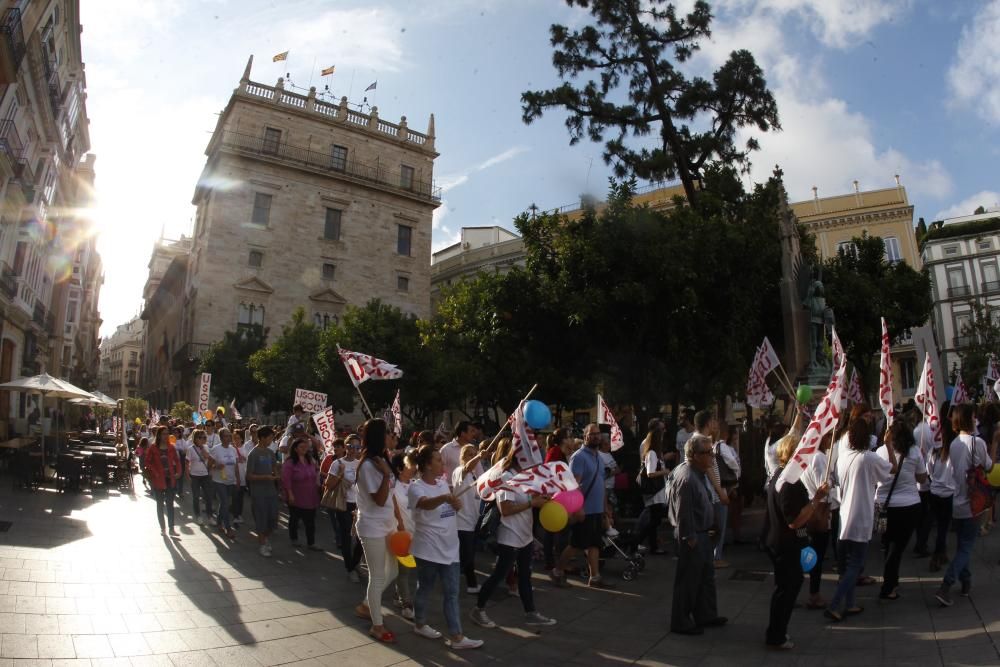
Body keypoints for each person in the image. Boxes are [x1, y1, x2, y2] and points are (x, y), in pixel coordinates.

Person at [472, 437, 557, 629]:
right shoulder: (506, 477)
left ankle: (531, 613)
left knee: (525, 575)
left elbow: (529, 497)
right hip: (510, 535)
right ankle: (478, 609)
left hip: (525, 535)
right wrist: (531, 503)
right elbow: (506, 509)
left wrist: (541, 497)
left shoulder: (524, 476)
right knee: (499, 575)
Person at [408, 445, 484, 649]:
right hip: (428, 548)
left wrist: (455, 505)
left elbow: (448, 509)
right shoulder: (415, 487)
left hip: (450, 547)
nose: (443, 463)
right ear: (426, 465)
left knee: (452, 593)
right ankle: (420, 623)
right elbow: (425, 504)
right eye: (438, 460)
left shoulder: (442, 483)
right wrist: (445, 498)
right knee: (425, 587)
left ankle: (456, 637)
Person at [825, 408, 893, 622]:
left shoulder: (843, 458)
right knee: (856, 565)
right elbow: (892, 469)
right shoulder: (869, 458)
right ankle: (835, 603)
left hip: (844, 516)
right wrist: (889, 444)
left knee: (846, 566)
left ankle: (850, 603)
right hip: (861, 517)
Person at [765, 434, 829, 650]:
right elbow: (795, 521)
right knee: (787, 589)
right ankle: (777, 635)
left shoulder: (780, 476)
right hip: (786, 545)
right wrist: (816, 499)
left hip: (782, 543)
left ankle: (777, 632)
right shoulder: (789, 482)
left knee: (786, 588)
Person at [935, 403, 996, 606]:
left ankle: (966, 581)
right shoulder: (976, 442)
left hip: (958, 500)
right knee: (966, 547)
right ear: (969, 419)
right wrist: (994, 442)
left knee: (963, 544)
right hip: (973, 502)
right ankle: (946, 584)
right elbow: (989, 466)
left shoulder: (953, 444)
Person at [668, 434, 727, 635]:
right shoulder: (687, 477)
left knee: (705, 578)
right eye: (707, 453)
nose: (712, 456)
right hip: (692, 536)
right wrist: (690, 537)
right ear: (694, 455)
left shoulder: (698, 473)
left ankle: (706, 615)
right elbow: (683, 510)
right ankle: (681, 621)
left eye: (712, 452)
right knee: (689, 581)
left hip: (703, 534)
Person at [354, 418, 401, 644]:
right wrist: (384, 475)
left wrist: (399, 521)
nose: (392, 436)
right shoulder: (367, 466)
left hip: (388, 523)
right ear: (378, 437)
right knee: (378, 575)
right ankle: (377, 625)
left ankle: (366, 604)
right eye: (388, 433)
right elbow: (381, 500)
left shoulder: (383, 459)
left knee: (393, 571)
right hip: (371, 525)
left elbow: (392, 497)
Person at [553, 423, 614, 589]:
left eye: (598, 434)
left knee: (594, 544)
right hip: (584, 510)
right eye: (591, 434)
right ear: (585, 436)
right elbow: (572, 485)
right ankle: (558, 571)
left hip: (596, 510)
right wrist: (577, 508)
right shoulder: (579, 457)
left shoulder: (598, 457)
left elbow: (600, 484)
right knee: (576, 545)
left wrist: (605, 508)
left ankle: (595, 578)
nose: (595, 436)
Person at [876, 421, 927, 600]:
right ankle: (889, 585)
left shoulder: (880, 451)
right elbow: (922, 479)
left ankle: (892, 580)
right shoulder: (914, 452)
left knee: (887, 543)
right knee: (897, 547)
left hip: (883, 506)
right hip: (909, 506)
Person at [800, 431, 836, 609]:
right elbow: (824, 487)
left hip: (809, 507)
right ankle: (814, 594)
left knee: (811, 552)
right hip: (819, 508)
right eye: (829, 436)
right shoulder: (820, 458)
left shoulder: (806, 456)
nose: (832, 440)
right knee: (817, 556)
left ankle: (810, 591)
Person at [693, 410, 730, 568]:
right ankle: (714, 558)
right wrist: (720, 491)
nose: (716, 423)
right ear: (708, 423)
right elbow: (708, 469)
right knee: (717, 526)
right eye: (713, 420)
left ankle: (712, 557)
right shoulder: (701, 441)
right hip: (711, 493)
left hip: (709, 492)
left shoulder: (699, 439)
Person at [325, 434, 363, 581]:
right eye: (350, 446)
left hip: (359, 504)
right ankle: (350, 568)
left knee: (361, 537)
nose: (353, 450)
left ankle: (354, 563)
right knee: (347, 536)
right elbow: (328, 486)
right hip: (344, 503)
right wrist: (340, 474)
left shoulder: (360, 463)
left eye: (357, 447)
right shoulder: (337, 463)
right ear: (345, 446)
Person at [452, 443, 484, 592]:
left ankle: (467, 582)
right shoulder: (460, 471)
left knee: (467, 556)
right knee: (467, 556)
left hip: (472, 521)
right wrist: (478, 457)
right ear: (463, 457)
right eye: (470, 454)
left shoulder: (474, 476)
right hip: (462, 522)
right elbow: (465, 468)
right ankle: (470, 584)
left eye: (474, 453)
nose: (474, 457)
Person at [927, 412, 956, 573]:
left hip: (935, 492)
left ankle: (942, 552)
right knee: (943, 528)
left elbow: (928, 471)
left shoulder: (933, 451)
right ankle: (937, 557)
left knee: (940, 526)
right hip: (948, 494)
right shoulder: (953, 451)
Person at [635, 424, 670, 554]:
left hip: (657, 493)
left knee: (654, 521)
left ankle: (653, 546)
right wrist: (665, 471)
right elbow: (650, 473)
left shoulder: (653, 453)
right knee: (653, 521)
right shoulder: (652, 454)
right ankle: (638, 541)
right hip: (655, 493)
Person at [390, 450, 417, 620]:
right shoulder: (393, 488)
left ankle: (397, 595)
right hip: (400, 536)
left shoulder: (417, 484)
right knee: (404, 571)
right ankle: (406, 603)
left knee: (405, 571)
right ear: (400, 468)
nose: (414, 467)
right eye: (410, 464)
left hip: (417, 535)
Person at [283, 436, 322, 550]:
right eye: (301, 446)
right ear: (295, 448)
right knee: (294, 519)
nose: (304, 448)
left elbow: (317, 472)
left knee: (310, 521)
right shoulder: (290, 462)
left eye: (306, 446)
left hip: (311, 496)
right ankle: (294, 538)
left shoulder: (311, 460)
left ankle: (311, 543)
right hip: (296, 496)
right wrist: (290, 494)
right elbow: (286, 480)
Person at [246, 426, 280, 557]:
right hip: (258, 492)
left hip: (271, 491)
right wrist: (265, 477)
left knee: (273, 519)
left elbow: (274, 468)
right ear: (262, 437)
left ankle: (265, 538)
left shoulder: (270, 453)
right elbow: (249, 476)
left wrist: (277, 475)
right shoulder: (253, 454)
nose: (272, 440)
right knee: (261, 518)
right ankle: (262, 544)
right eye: (270, 437)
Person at [144, 426, 182, 537]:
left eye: (167, 433)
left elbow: (177, 461)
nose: (166, 436)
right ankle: (163, 528)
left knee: (170, 504)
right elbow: (147, 462)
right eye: (164, 434)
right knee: (160, 505)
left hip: (170, 479)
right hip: (158, 480)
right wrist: (155, 472)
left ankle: (171, 528)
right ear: (159, 435)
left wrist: (178, 472)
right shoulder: (153, 448)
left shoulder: (171, 447)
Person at [209, 427, 241, 539]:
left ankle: (218, 522)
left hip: (230, 481)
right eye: (226, 436)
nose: (228, 438)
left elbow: (236, 465)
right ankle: (228, 527)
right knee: (225, 503)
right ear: (221, 438)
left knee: (224, 503)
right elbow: (209, 465)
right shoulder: (215, 449)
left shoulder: (233, 449)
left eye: (229, 435)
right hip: (219, 481)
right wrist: (216, 466)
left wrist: (238, 479)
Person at [717, 425, 742, 545]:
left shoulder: (732, 447)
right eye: (735, 433)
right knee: (731, 510)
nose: (737, 436)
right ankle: (727, 538)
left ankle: (735, 535)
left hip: (734, 481)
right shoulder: (725, 447)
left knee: (735, 510)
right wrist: (734, 481)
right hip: (731, 483)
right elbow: (731, 463)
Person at [185, 429, 213, 525]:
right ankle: (198, 515)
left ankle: (210, 516)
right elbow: (187, 463)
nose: (202, 439)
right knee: (196, 497)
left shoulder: (206, 447)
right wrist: (188, 475)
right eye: (200, 437)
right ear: (195, 438)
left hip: (205, 475)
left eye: (204, 437)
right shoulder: (190, 449)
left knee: (209, 497)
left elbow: (207, 457)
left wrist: (202, 447)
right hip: (195, 476)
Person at [231, 429, 251, 527]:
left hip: (242, 477)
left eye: (238, 438)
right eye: (234, 438)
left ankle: (238, 514)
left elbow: (247, 461)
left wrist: (242, 459)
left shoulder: (245, 449)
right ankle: (235, 515)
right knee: (235, 497)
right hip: (233, 477)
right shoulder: (231, 448)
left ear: (242, 439)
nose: (236, 440)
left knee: (240, 498)